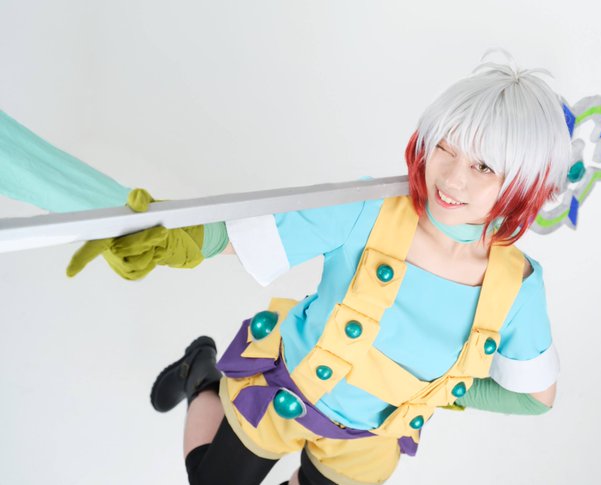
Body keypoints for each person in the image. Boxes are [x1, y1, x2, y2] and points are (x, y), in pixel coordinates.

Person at [0, 51, 571, 485]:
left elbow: (532, 397)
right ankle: (203, 375)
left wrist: (440, 389)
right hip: (286, 389)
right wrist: (171, 238)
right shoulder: (369, 208)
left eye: (484, 166)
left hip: (370, 438)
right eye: (446, 147)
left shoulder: (516, 285)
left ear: (525, 183)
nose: (452, 177)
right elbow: (247, 236)